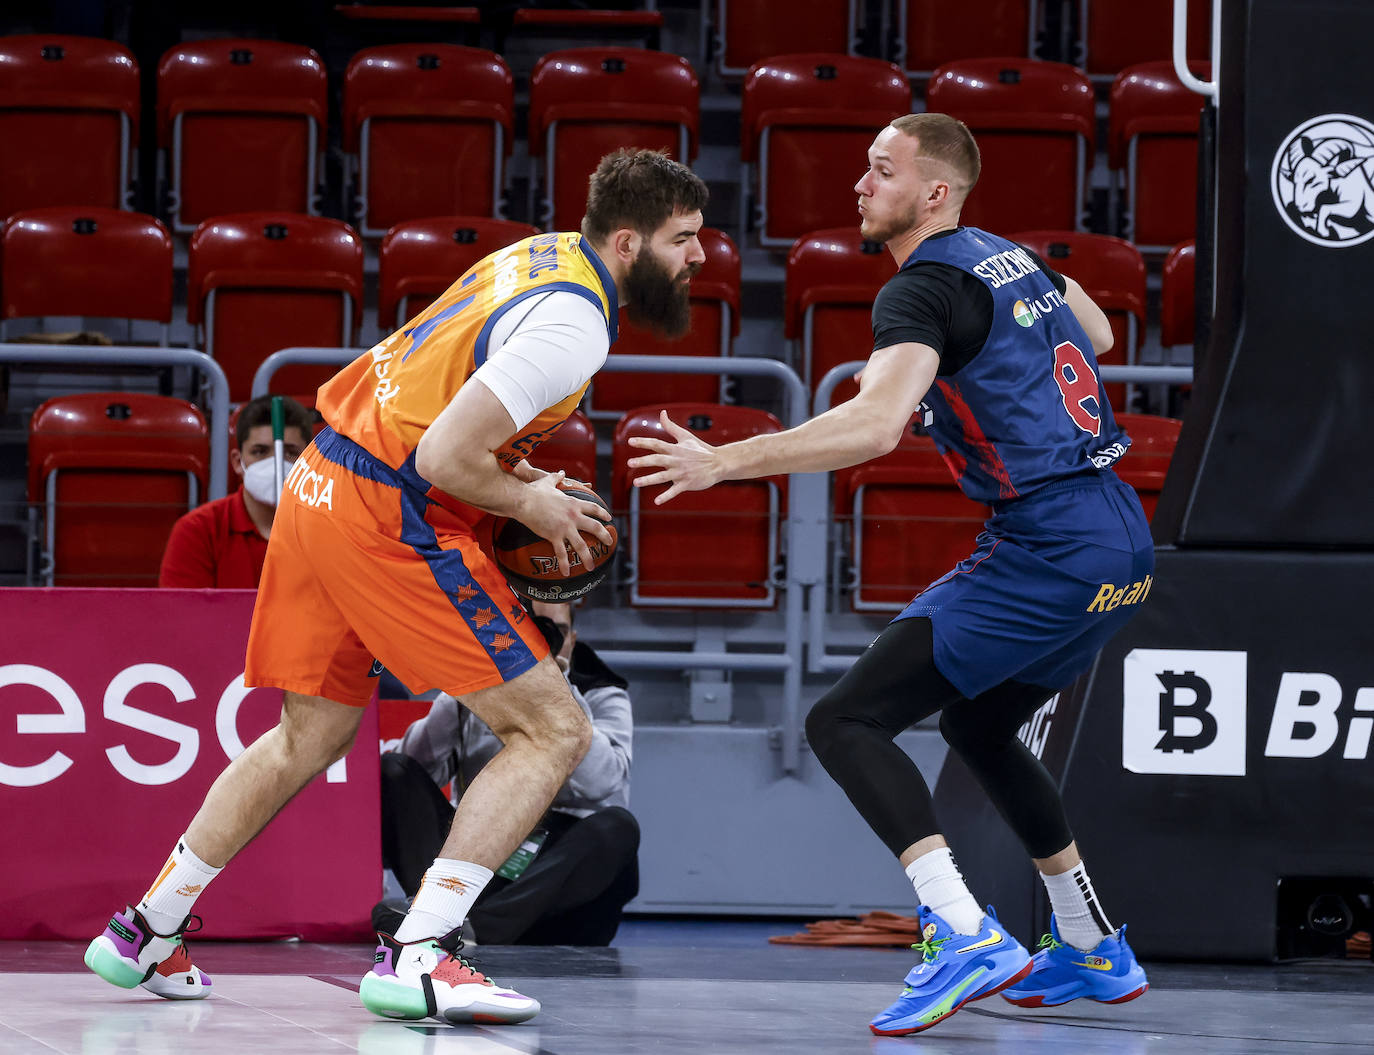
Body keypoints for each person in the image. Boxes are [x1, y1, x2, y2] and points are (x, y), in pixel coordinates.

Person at [84, 148, 708, 1025]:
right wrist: (530, 497)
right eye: (685, 239)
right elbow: (445, 456)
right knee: (552, 729)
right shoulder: (577, 324)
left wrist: (513, 477)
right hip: (388, 508)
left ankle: (144, 928)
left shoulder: (536, 254)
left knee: (309, 735)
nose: (701, 258)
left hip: (320, 480)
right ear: (630, 240)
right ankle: (426, 953)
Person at [626, 113, 1152, 1037]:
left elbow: (871, 428)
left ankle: (959, 931)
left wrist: (723, 463)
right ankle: (1092, 943)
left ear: (935, 194)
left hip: (1050, 543)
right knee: (981, 724)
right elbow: (1099, 334)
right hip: (1122, 540)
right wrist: (968, 378)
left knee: (844, 718)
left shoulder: (919, 292)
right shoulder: (1008, 256)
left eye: (881, 171)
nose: (859, 186)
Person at [376, 600, 638, 946]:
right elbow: (415, 768)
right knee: (393, 769)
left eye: (555, 633)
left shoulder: (603, 692)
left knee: (618, 826)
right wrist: (460, 692)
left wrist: (560, 693)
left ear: (572, 639)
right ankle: (450, 916)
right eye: (532, 633)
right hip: (480, 850)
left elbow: (604, 784)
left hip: (554, 874)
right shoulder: (481, 681)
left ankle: (475, 928)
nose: (543, 644)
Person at [158, 395, 314, 588]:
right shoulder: (198, 530)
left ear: (310, 462)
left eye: (290, 452)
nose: (275, 464)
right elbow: (183, 614)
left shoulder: (330, 532)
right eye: (260, 452)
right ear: (236, 462)